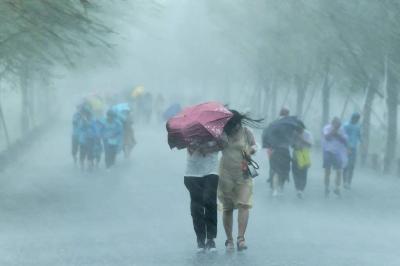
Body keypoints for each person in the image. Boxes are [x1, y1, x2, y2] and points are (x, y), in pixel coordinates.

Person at [218, 110, 261, 251]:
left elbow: (255, 145)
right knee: (228, 208)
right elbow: (217, 147)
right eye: (233, 125)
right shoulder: (222, 134)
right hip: (226, 175)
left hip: (243, 174)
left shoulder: (246, 131)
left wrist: (251, 151)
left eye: (237, 124)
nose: (236, 127)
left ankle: (241, 238)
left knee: (244, 205)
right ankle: (229, 240)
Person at [184, 140, 221, 252]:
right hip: (192, 172)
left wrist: (209, 148)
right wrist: (197, 146)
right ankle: (200, 239)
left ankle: (210, 238)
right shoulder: (189, 130)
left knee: (210, 202)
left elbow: (223, 144)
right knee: (196, 207)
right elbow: (189, 150)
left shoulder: (216, 129)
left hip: (211, 170)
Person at [262, 108, 300, 197]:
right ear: (287, 114)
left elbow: (266, 134)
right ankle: (281, 187)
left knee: (275, 169)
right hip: (284, 150)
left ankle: (274, 189)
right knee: (284, 170)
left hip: (273, 150)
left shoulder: (273, 124)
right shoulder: (289, 124)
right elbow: (293, 136)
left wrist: (268, 146)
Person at [322, 117, 348, 197]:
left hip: (337, 152)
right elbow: (327, 138)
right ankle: (326, 187)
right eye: (337, 125)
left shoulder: (342, 129)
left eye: (339, 125)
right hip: (327, 151)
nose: (338, 127)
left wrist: (338, 135)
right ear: (333, 123)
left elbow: (344, 141)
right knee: (327, 171)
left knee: (339, 171)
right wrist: (334, 131)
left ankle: (337, 187)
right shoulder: (327, 128)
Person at [292, 125, 313, 199]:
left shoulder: (307, 134)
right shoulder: (294, 133)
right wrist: (295, 141)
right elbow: (291, 144)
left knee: (303, 173)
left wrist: (301, 139)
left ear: (303, 128)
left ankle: (301, 189)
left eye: (301, 130)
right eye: (298, 130)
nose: (299, 131)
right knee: (295, 172)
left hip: (304, 154)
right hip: (295, 154)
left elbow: (310, 145)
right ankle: (298, 188)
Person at [343, 113, 361, 189]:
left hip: (354, 148)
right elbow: (343, 136)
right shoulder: (346, 126)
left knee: (352, 166)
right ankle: (344, 182)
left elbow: (359, 136)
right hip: (346, 147)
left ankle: (349, 182)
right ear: (352, 118)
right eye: (356, 119)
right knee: (346, 165)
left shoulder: (358, 127)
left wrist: (362, 143)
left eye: (358, 119)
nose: (357, 120)